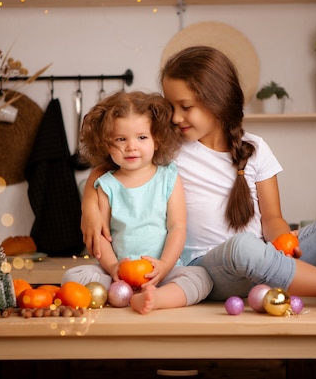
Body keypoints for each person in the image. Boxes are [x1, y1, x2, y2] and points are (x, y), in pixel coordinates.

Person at [81, 46, 316, 319]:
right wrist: (89, 205)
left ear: (217, 102)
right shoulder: (169, 147)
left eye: (185, 106)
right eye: (171, 106)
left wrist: (283, 240)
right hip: (210, 269)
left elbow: (271, 218)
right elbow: (109, 166)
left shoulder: (255, 149)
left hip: (263, 257)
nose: (175, 117)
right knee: (243, 247)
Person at [62, 90, 212, 314]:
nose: (131, 147)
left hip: (162, 272)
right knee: (72, 276)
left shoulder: (168, 177)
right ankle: (122, 293)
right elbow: (101, 236)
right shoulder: (106, 185)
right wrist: (113, 267)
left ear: (157, 139)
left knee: (201, 277)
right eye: (121, 139)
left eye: (142, 138)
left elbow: (177, 227)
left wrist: (164, 266)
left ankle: (156, 297)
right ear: (106, 145)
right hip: (118, 274)